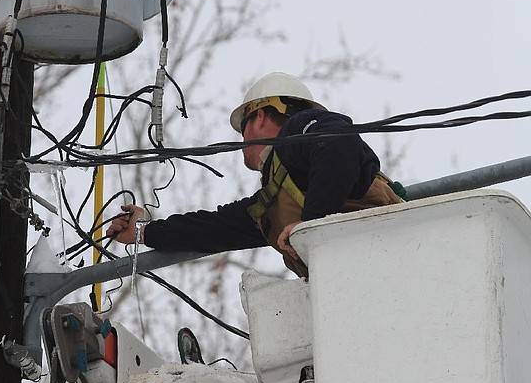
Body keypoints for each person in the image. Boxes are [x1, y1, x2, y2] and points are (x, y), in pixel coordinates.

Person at [106, 72, 404, 277]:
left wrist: (311, 229)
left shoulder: (298, 132)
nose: (241, 139)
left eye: (243, 126)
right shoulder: (274, 202)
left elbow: (337, 142)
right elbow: (215, 228)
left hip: (391, 258)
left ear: (259, 115)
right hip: (370, 276)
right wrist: (146, 232)